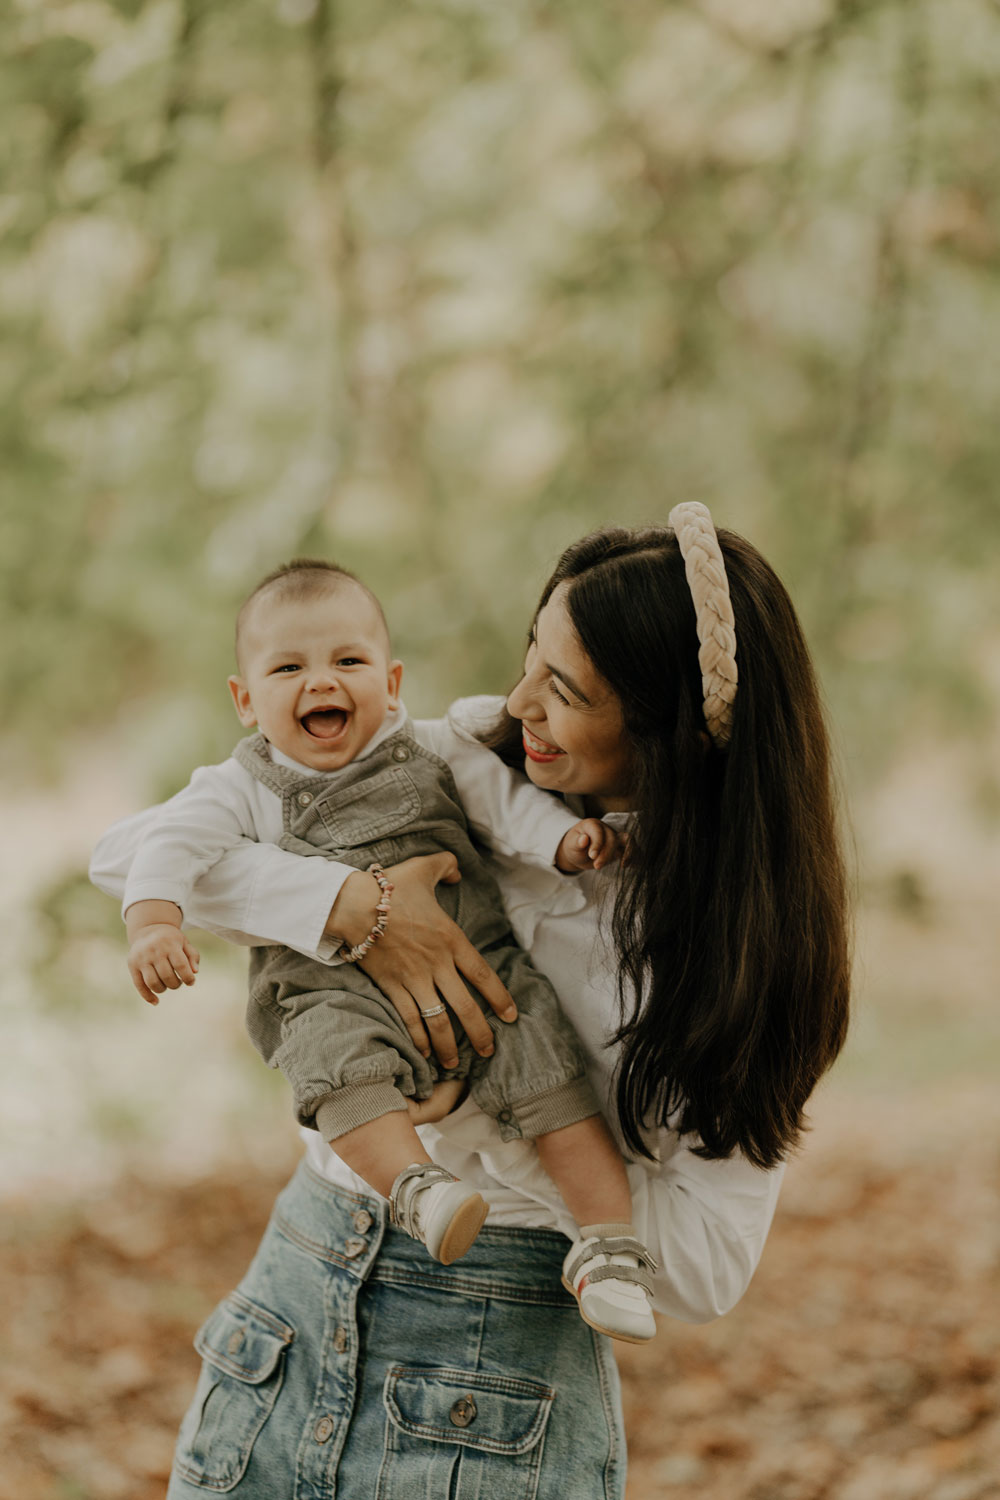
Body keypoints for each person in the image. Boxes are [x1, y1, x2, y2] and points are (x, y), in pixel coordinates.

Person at [90, 505, 851, 1500]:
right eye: (531, 657)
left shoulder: (728, 956)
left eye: (565, 689)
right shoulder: (465, 760)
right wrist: (348, 906)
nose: (518, 699)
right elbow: (126, 855)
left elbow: (708, 1269)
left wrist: (477, 1128)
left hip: (488, 1395)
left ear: (663, 731)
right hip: (291, 1311)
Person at [117, 558, 656, 1339]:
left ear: (391, 680)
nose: (320, 682)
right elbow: (164, 846)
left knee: (551, 1076)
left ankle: (610, 1246)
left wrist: (563, 840)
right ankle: (416, 1186)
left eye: (348, 661)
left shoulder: (435, 746)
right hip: (328, 989)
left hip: (483, 969)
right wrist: (155, 924)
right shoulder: (240, 786)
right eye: (288, 667)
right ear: (244, 700)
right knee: (338, 1068)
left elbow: (507, 808)